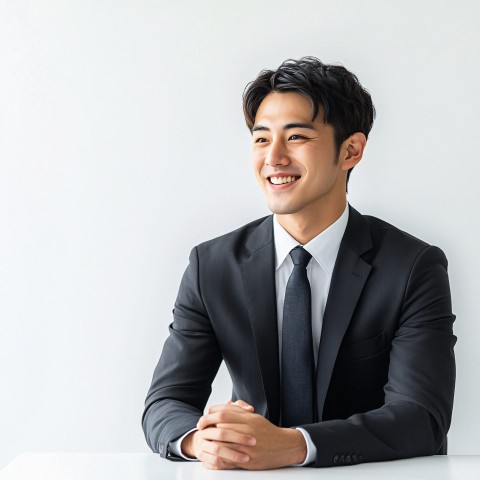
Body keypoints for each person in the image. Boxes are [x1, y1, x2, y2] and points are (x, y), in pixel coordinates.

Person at [142, 57, 456, 470]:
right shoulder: (212, 265)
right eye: (261, 139)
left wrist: (295, 445)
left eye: (296, 137)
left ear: (351, 150)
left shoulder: (413, 267)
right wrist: (206, 441)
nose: (273, 157)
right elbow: (166, 402)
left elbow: (422, 418)